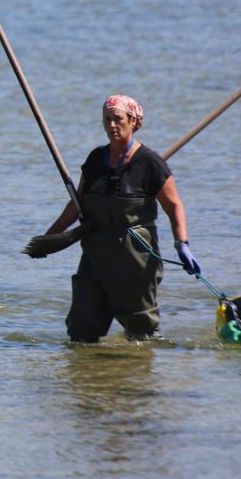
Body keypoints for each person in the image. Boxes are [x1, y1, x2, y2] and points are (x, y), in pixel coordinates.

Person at [45, 94, 200, 342]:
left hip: (135, 261)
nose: (112, 125)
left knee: (142, 334)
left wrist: (182, 244)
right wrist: (50, 237)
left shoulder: (150, 163)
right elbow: (76, 205)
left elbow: (174, 206)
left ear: (133, 122)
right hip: (95, 257)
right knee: (81, 331)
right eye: (107, 120)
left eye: (118, 119)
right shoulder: (96, 160)